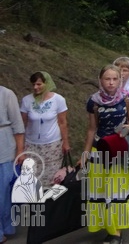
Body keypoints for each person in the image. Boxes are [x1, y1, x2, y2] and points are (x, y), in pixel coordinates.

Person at [82, 64, 129, 244]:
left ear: (120, 80)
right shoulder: (94, 101)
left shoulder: (128, 98)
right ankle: (106, 227)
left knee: (116, 192)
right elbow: (92, 129)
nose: (111, 82)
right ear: (101, 80)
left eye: (115, 79)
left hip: (119, 150)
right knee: (99, 191)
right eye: (107, 79)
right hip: (99, 151)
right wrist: (85, 153)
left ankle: (116, 233)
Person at [20, 71, 69, 187]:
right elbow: (22, 124)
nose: (35, 87)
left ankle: (49, 203)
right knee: (31, 177)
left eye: (39, 84)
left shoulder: (58, 100)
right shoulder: (27, 100)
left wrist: (65, 143)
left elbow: (63, 123)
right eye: (33, 85)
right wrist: (20, 147)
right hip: (31, 145)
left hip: (52, 145)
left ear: (46, 83)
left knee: (51, 178)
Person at [0, 85, 25, 244]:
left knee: (4, 193)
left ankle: (7, 226)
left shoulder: (6, 94)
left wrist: (20, 151)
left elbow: (18, 125)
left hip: (5, 148)